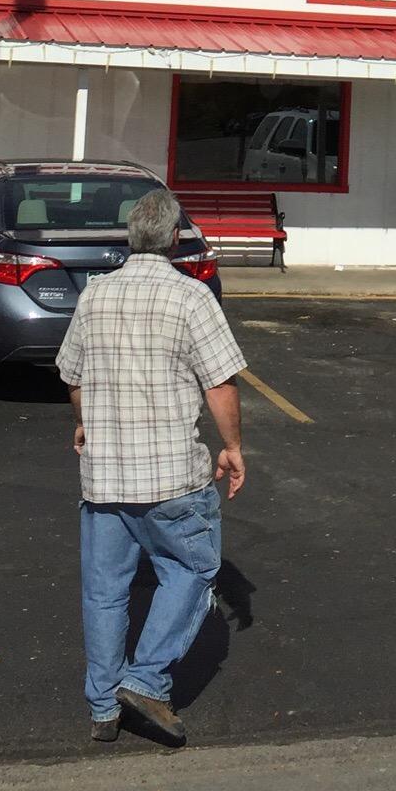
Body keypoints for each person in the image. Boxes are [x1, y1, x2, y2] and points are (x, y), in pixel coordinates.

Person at [56, 186, 246, 747]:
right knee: (192, 569)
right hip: (171, 477)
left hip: (105, 476)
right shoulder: (191, 297)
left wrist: (84, 421)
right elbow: (220, 383)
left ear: (130, 236)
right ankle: (145, 680)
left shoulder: (95, 295)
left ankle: (102, 708)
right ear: (175, 238)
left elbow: (73, 377)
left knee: (104, 593)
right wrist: (232, 446)